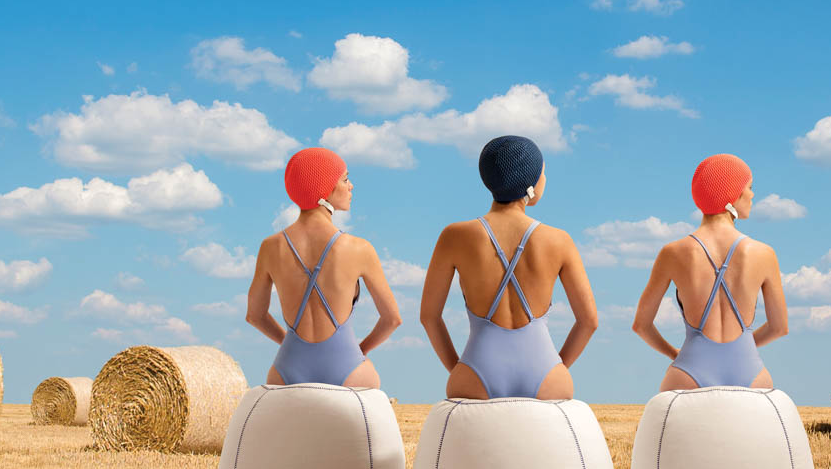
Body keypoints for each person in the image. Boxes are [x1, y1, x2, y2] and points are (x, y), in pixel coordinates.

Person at [419, 135, 598, 399]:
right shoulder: (558, 240)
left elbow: (429, 317)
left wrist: (459, 369)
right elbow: (589, 321)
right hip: (546, 372)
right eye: (543, 172)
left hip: (476, 371)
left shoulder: (454, 236)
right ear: (531, 183)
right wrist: (555, 366)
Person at [245, 147, 399, 388]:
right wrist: (360, 350)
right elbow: (392, 319)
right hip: (348, 369)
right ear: (324, 191)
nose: (351, 186)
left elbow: (254, 316)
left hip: (288, 369)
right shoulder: (359, 248)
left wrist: (290, 342)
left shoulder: (270, 247)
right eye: (345, 179)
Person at [631, 154, 788, 390]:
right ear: (732, 195)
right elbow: (779, 327)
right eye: (749, 187)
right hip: (750, 372)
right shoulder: (763, 253)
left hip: (689, 371)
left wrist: (676, 354)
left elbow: (641, 325)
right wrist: (741, 348)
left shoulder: (672, 252)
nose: (753, 195)